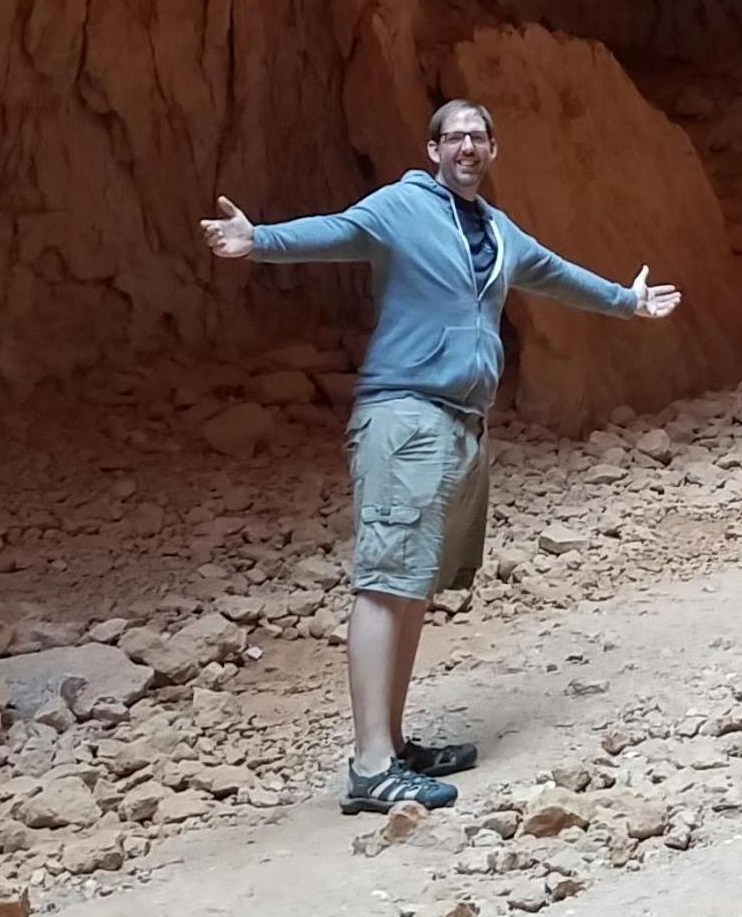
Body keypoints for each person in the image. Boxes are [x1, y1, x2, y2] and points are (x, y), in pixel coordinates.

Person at [199, 100, 682, 815]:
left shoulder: (497, 229)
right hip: (406, 415)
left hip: (459, 423)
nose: (466, 146)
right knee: (384, 580)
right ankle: (371, 767)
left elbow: (552, 272)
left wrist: (625, 301)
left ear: (493, 149)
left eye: (477, 136)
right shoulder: (402, 208)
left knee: (411, 583)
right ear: (432, 150)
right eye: (453, 136)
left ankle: (392, 746)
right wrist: (257, 240)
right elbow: (340, 231)